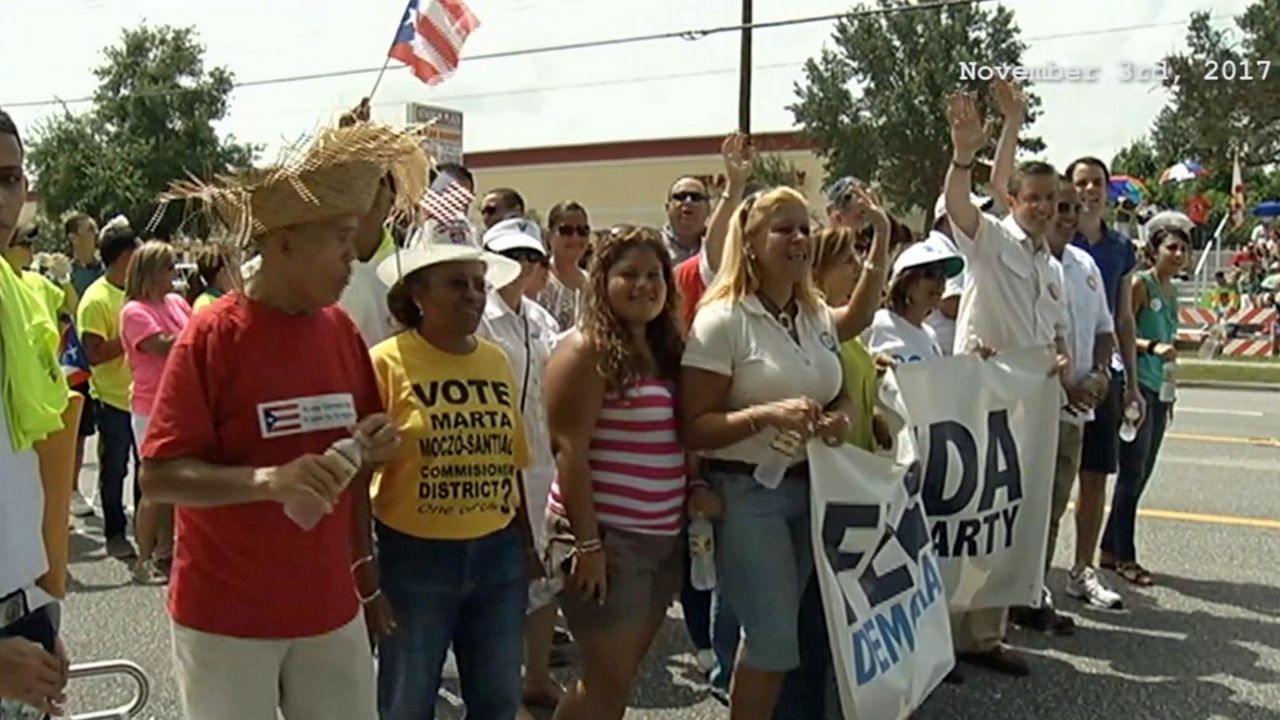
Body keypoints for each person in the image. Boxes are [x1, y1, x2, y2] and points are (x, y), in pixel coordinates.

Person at [139, 122, 417, 720]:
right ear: (285, 243)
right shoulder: (212, 336)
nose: (353, 256)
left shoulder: (339, 329)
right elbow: (159, 477)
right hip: (227, 620)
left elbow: (367, 442)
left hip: (328, 609)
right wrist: (268, 481)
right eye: (341, 237)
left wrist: (377, 444)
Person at [681, 187, 855, 719]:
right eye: (784, 228)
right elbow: (694, 428)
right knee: (773, 641)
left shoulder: (816, 314)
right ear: (751, 242)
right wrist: (767, 415)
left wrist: (840, 416)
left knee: (779, 642)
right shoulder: (721, 321)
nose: (799, 238)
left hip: (812, 490)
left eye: (805, 227)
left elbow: (836, 387)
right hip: (748, 496)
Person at [363, 242, 533, 720]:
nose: (474, 296)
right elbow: (358, 472)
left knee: (498, 699)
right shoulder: (384, 362)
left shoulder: (497, 361)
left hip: (498, 556)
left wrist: (527, 546)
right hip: (413, 557)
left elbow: (511, 461)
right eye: (457, 284)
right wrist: (363, 567)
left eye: (480, 284)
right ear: (417, 293)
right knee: (407, 700)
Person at [944, 82, 1072, 677]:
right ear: (1013, 199)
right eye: (1035, 197)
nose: (1045, 207)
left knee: (1007, 517)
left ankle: (985, 636)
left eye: (1054, 199)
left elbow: (1052, 338)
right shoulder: (992, 241)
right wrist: (971, 151)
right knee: (964, 514)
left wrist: (1064, 366)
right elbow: (962, 204)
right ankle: (941, 634)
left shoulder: (1053, 267)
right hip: (978, 397)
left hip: (1029, 407)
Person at [544, 225, 694, 720]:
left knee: (616, 681)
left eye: (655, 275)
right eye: (628, 274)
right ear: (602, 280)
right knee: (606, 685)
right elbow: (569, 451)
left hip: (663, 540)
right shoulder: (583, 350)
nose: (644, 285)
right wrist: (588, 546)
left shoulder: (668, 349)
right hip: (606, 543)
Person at [1011, 176, 1115, 633]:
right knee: (1015, 506)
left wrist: (1100, 374)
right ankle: (1004, 595)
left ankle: (1034, 591)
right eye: (1060, 205)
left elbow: (1105, 330)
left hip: (1073, 410)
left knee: (1051, 507)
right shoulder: (1014, 258)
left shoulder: (1085, 266)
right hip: (1024, 409)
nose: (1068, 216)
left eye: (1074, 208)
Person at [0, 106, 73, 720]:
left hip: (22, 615)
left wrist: (42, 607)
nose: (1, 197)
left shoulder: (20, 307)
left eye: (8, 178)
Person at [476, 218, 564, 713]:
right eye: (514, 256)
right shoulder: (477, 318)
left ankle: (538, 675)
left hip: (543, 464)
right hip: (497, 466)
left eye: (532, 257)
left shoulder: (540, 320)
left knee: (546, 575)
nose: (524, 266)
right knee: (503, 582)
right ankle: (500, 683)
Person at [1066, 155, 1144, 609]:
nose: (1089, 190)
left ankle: (1083, 569)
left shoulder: (1119, 247)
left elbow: (1124, 317)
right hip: (1060, 373)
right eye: (1081, 183)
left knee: (1095, 476)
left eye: (1096, 182)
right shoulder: (1057, 236)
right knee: (1050, 477)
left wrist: (1131, 382)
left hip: (1104, 373)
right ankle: (1031, 576)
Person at [1100, 213, 1189, 588]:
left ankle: (1108, 548)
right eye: (1172, 247)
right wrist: (1151, 346)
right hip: (1137, 389)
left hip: (1161, 390)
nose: (1179, 254)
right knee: (1131, 475)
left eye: (1184, 248)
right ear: (1154, 250)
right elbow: (1121, 332)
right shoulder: (1141, 285)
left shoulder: (1170, 291)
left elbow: (1167, 335)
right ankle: (1126, 558)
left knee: (1143, 474)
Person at [119, 241, 192, 584]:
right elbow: (165, 345)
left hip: (181, 403)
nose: (174, 274)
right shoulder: (134, 311)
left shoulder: (176, 302)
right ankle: (143, 560)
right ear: (150, 272)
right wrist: (193, 334)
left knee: (179, 484)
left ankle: (167, 551)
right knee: (154, 487)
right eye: (168, 267)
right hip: (151, 409)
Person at [77, 225, 140, 560]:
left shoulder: (136, 292)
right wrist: (134, 336)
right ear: (125, 257)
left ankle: (146, 531)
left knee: (147, 469)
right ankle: (115, 532)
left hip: (143, 399)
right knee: (114, 470)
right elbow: (94, 352)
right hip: (113, 400)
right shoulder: (96, 299)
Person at [864, 236, 966, 364]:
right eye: (931, 274)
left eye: (943, 275)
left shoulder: (931, 336)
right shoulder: (876, 323)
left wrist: (973, 360)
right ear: (906, 281)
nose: (940, 281)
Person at [338, 170, 401, 347]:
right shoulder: (302, 268)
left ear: (392, 198)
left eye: (379, 180)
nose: (368, 188)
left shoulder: (413, 272)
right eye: (356, 177)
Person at [536, 201, 591, 330]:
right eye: (566, 231)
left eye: (582, 231)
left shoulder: (592, 283)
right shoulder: (539, 278)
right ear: (549, 235)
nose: (575, 238)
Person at [664, 176, 714, 265]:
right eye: (680, 196)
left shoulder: (720, 245)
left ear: (708, 209)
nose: (688, 201)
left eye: (696, 197)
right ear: (667, 207)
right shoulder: (653, 245)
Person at [186, 243, 242, 314]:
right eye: (233, 270)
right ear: (222, 273)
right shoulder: (206, 303)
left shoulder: (220, 300)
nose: (237, 276)